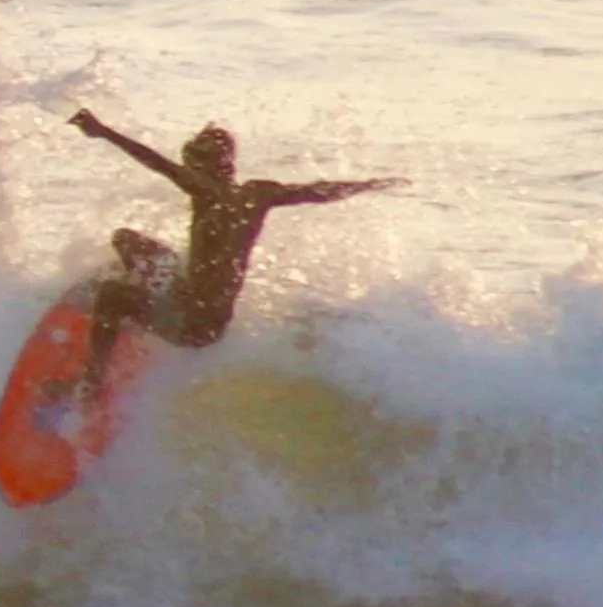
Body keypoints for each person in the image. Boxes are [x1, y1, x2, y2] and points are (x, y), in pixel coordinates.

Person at [67, 108, 408, 399]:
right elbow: (316, 192)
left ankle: (93, 380)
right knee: (127, 240)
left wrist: (103, 131)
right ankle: (136, 310)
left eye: (190, 164)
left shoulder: (204, 192)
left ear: (200, 167)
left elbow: (155, 162)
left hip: (193, 327)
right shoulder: (258, 194)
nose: (187, 171)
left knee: (111, 294)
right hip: (202, 310)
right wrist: (366, 184)